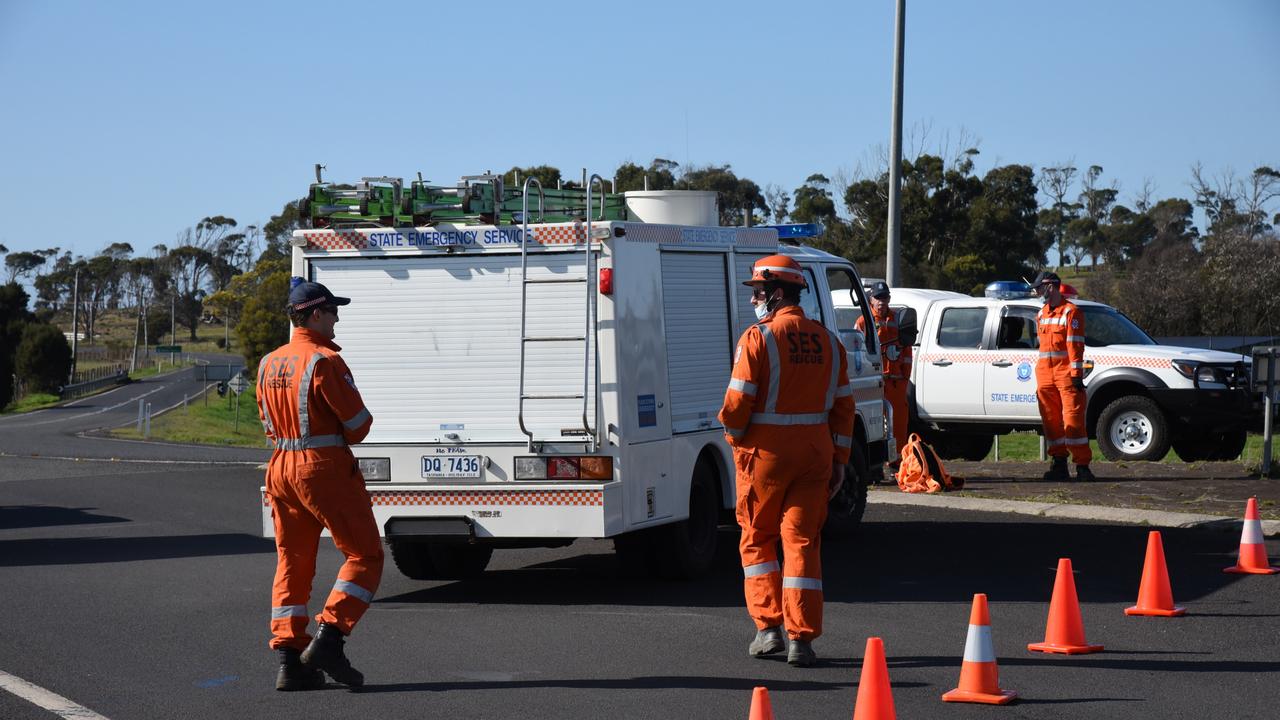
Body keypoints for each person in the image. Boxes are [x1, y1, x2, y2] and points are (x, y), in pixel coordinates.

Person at [718, 254, 855, 667]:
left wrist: (735, 438)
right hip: (815, 455)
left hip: (766, 457)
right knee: (802, 543)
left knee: (758, 539)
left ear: (777, 294)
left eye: (758, 293)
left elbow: (737, 402)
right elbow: (844, 408)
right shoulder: (830, 342)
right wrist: (841, 459)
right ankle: (802, 639)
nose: (755, 300)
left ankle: (768, 630)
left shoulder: (757, 338)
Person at [257, 279, 383, 690]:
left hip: (280, 467)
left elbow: (267, 423)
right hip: (323, 468)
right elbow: (358, 426)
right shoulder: (324, 361)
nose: (337, 318)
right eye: (332, 311)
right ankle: (330, 637)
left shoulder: (269, 362)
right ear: (314, 314)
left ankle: (289, 662)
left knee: (292, 561)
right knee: (365, 556)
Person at [1031, 271, 1094, 482]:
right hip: (1045, 375)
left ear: (1050, 287)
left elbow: (1075, 346)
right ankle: (1059, 464)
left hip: (1066, 374)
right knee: (1051, 422)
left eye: (1039, 288)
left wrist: (1076, 375)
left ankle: (1082, 466)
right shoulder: (1041, 314)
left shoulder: (1071, 312)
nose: (1036, 292)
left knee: (1073, 421)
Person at [856, 282, 911, 458]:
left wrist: (904, 377)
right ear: (870, 300)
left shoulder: (897, 319)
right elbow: (857, 350)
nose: (881, 301)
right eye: (878, 297)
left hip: (895, 381)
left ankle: (899, 460)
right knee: (873, 422)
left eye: (884, 297)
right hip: (874, 381)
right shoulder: (863, 321)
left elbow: (907, 349)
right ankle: (876, 461)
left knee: (899, 422)